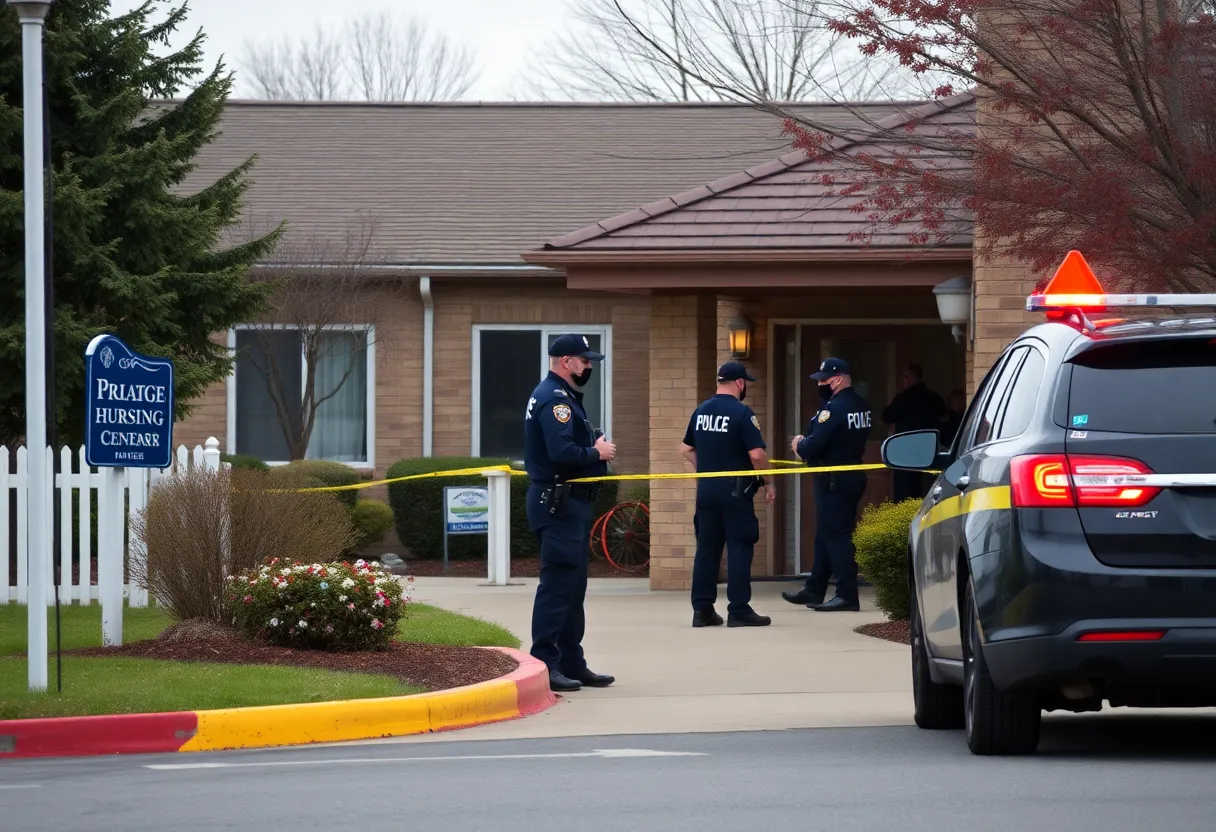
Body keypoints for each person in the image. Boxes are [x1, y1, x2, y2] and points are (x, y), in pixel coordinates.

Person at [523, 333, 618, 692]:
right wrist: (597, 453)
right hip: (559, 501)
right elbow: (561, 452)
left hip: (568, 501)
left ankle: (572, 662)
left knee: (573, 587)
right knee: (558, 586)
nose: (589, 365)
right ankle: (547, 663)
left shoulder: (560, 396)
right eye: (585, 360)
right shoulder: (555, 400)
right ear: (566, 361)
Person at [680, 362, 775, 628]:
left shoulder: (701, 411)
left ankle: (702, 610)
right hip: (735, 492)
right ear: (740, 383)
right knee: (739, 547)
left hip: (706, 491)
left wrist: (707, 472)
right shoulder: (742, 413)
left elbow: (686, 450)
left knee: (707, 550)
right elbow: (757, 454)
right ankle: (739, 610)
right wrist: (769, 483)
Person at [782, 357, 872, 612]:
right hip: (850, 474)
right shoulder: (861, 405)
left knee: (838, 537)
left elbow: (812, 446)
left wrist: (798, 443)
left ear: (840, 379)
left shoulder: (833, 409)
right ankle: (814, 588)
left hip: (834, 480)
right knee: (825, 534)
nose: (821, 384)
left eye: (825, 380)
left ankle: (847, 594)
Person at [881, 363, 947, 503]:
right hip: (930, 453)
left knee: (905, 498)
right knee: (929, 496)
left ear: (908, 378)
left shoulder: (902, 400)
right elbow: (944, 419)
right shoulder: (935, 399)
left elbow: (886, 417)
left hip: (905, 456)